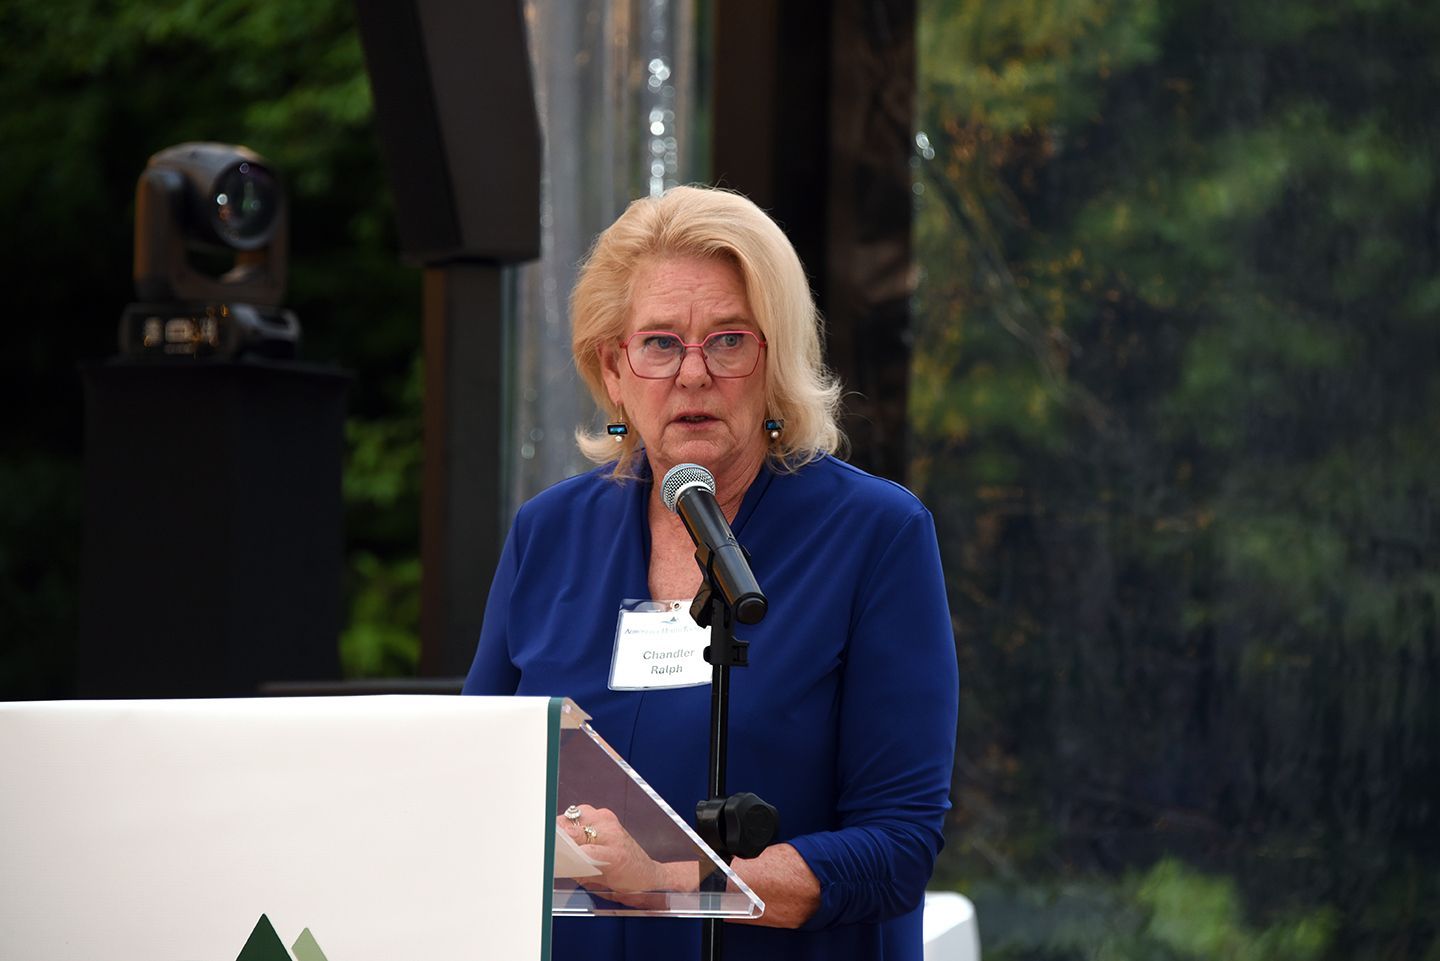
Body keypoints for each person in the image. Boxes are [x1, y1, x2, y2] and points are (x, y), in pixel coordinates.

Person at [463, 185, 959, 961]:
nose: (693, 373)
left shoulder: (874, 534)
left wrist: (665, 881)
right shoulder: (548, 533)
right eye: (660, 343)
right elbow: (474, 779)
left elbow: (897, 846)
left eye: (728, 340)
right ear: (614, 368)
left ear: (773, 361)